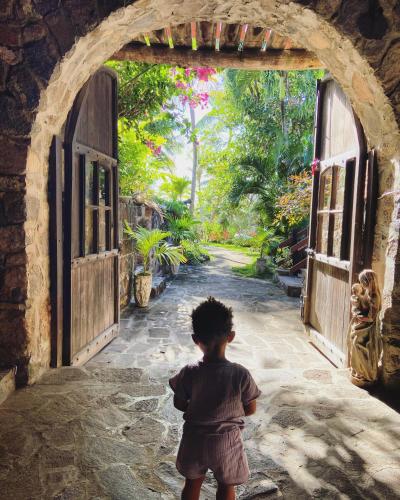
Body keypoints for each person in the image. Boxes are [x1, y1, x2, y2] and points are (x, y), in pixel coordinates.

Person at [169, 297, 261, 500]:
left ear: (195, 339)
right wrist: (228, 411)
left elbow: (179, 403)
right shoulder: (240, 374)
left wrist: (198, 408)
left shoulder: (189, 372)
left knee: (192, 484)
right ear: (231, 336)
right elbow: (251, 408)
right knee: (227, 486)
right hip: (227, 441)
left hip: (194, 439)